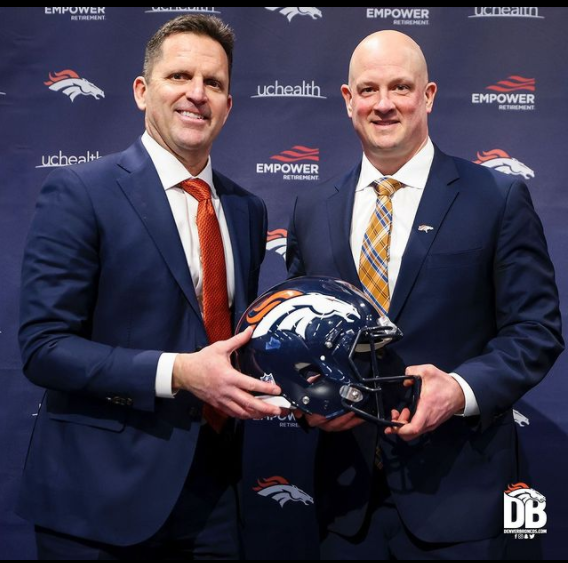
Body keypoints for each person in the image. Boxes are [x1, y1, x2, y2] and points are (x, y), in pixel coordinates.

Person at [286, 30, 563, 559]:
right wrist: (307, 405)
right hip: (346, 505)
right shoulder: (311, 207)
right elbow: (299, 333)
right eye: (368, 90)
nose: (384, 104)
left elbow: (536, 332)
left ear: (429, 96)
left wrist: (459, 390)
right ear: (348, 101)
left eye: (401, 87)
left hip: (463, 502)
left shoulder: (497, 197)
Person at [18, 14, 284, 560]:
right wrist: (180, 373)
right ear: (142, 91)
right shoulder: (80, 191)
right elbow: (44, 347)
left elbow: (234, 342)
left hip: (216, 498)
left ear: (229, 105)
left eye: (214, 83)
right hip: (100, 502)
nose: (196, 94)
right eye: (179, 76)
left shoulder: (246, 210)